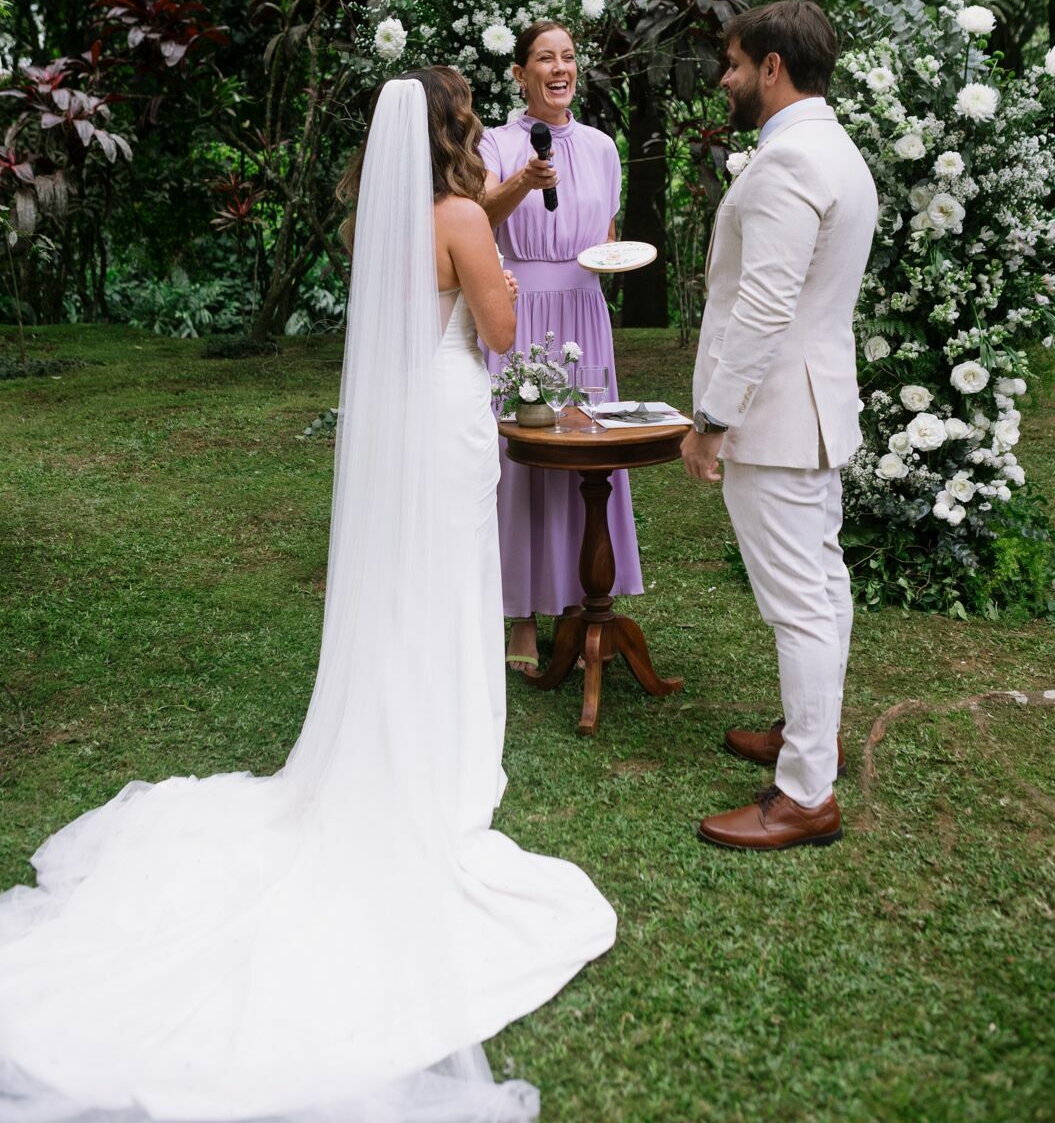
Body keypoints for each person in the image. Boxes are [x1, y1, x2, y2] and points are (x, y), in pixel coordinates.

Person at [0, 69, 616, 1121]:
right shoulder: (466, 215)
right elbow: (504, 331)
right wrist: (503, 268)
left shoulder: (374, 225)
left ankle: (391, 732)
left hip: (400, 422)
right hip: (453, 415)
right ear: (456, 128)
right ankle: (446, 756)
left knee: (399, 587)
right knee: (452, 583)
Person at [681, 1, 878, 852]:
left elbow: (763, 305)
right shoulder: (834, 147)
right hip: (815, 402)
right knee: (821, 587)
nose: (724, 79)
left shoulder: (790, 158)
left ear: (770, 66)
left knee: (798, 602)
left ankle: (804, 795)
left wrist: (712, 419)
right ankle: (812, 738)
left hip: (775, 415)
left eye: (731, 64)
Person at [480, 20, 644, 670]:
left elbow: (603, 233)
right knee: (519, 461)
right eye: (544, 58)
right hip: (521, 311)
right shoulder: (494, 143)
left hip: (584, 310)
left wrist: (609, 265)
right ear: (519, 74)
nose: (559, 67)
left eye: (568, 57)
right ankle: (518, 615)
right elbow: (479, 219)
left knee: (586, 456)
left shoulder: (604, 147)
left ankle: (580, 604)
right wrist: (524, 179)